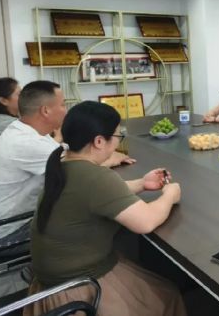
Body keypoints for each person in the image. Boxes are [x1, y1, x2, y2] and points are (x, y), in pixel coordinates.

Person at [26, 101, 185, 316]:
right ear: (99, 141)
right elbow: (146, 221)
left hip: (52, 282)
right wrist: (170, 195)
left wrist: (141, 184)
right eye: (118, 136)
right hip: (78, 288)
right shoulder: (96, 177)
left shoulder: (63, 165)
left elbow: (95, 196)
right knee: (167, 297)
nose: (118, 142)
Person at [0, 81, 134, 254]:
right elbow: (81, 169)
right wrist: (110, 158)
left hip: (2, 223)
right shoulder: (28, 143)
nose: (66, 110)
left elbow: (69, 157)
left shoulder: (21, 129)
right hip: (6, 234)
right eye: (63, 104)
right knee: (101, 216)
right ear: (45, 110)